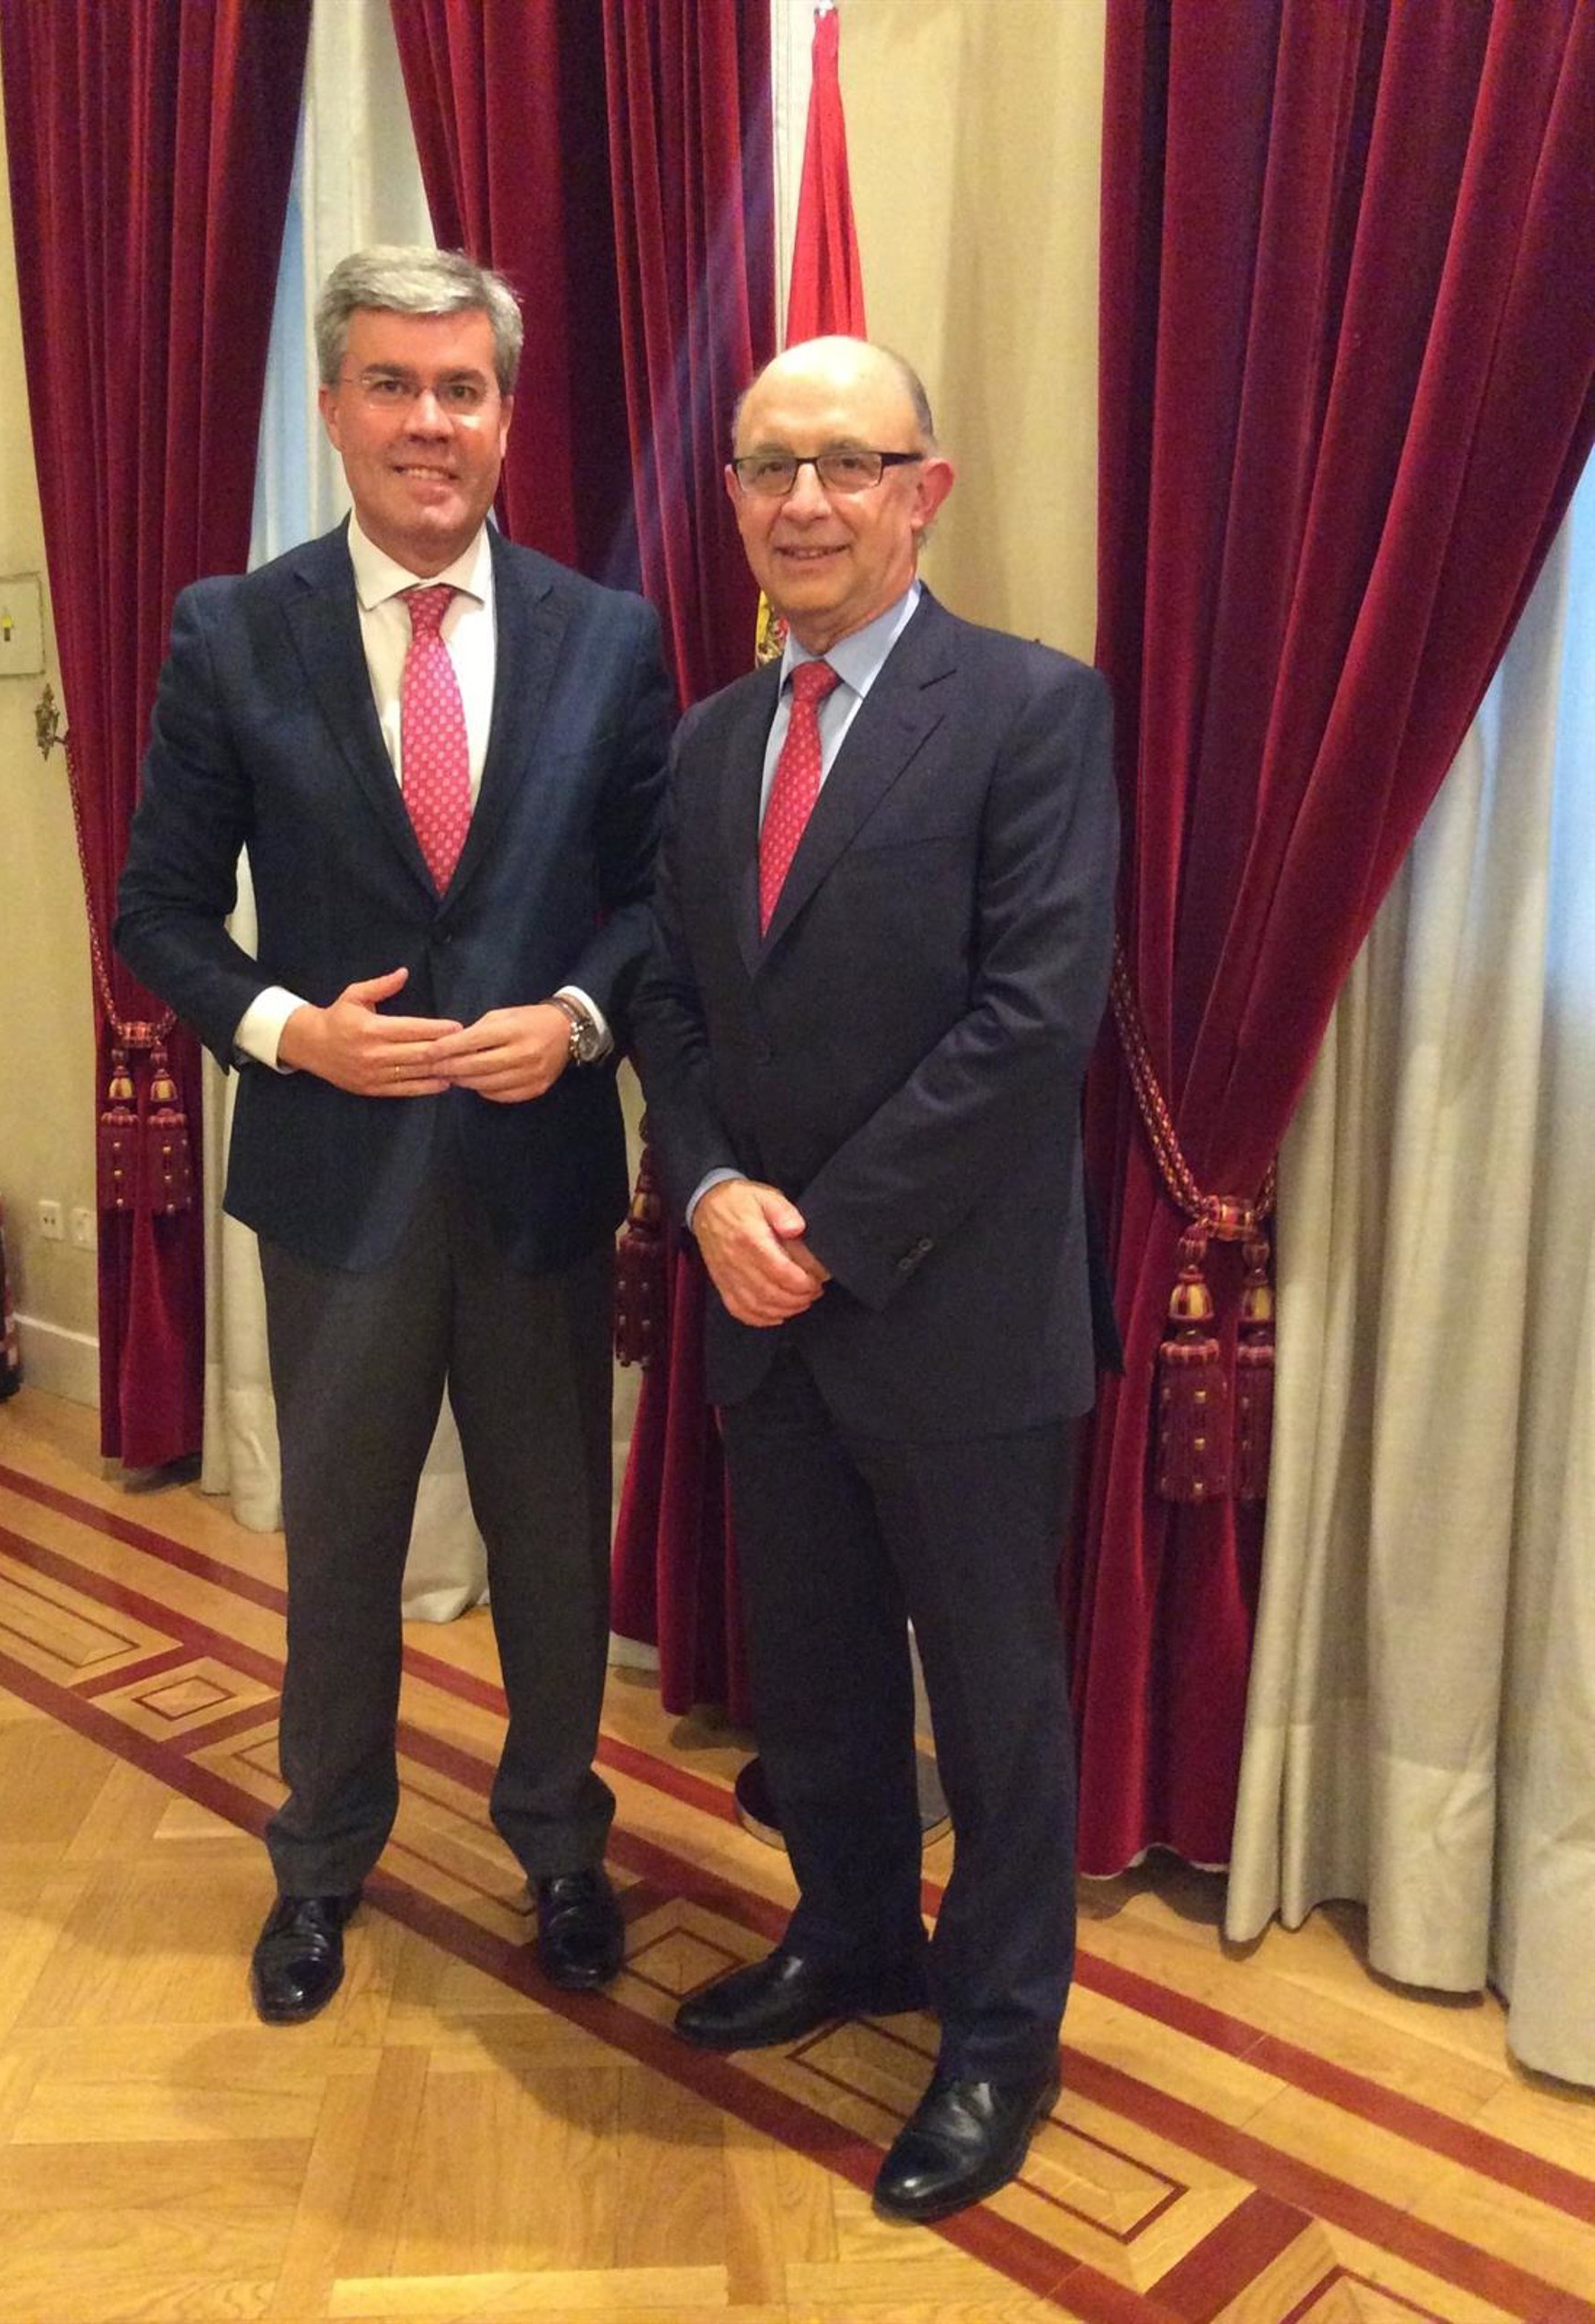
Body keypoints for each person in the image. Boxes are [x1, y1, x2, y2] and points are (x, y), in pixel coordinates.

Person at [116, 247, 672, 2024]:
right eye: (393, 385)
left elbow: (660, 899)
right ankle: (320, 1858)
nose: (429, 421)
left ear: (504, 416)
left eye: (462, 388)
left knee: (552, 1547)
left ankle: (562, 1845)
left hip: (535, 1177)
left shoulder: (610, 635)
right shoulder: (232, 629)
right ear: (335, 407)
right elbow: (158, 912)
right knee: (342, 1543)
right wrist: (296, 1033)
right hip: (334, 1180)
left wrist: (577, 1018)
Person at [634, 337, 1117, 2224]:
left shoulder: (1031, 710)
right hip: (761, 1310)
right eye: (770, 467)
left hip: (956, 1315)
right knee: (818, 1678)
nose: (806, 501)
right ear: (734, 498)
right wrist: (708, 1189)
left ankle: (998, 2037)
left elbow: (1033, 1020)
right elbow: (673, 997)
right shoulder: (707, 741)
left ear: (927, 488)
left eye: (848, 463)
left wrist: (821, 1232)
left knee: (994, 1708)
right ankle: (849, 1937)